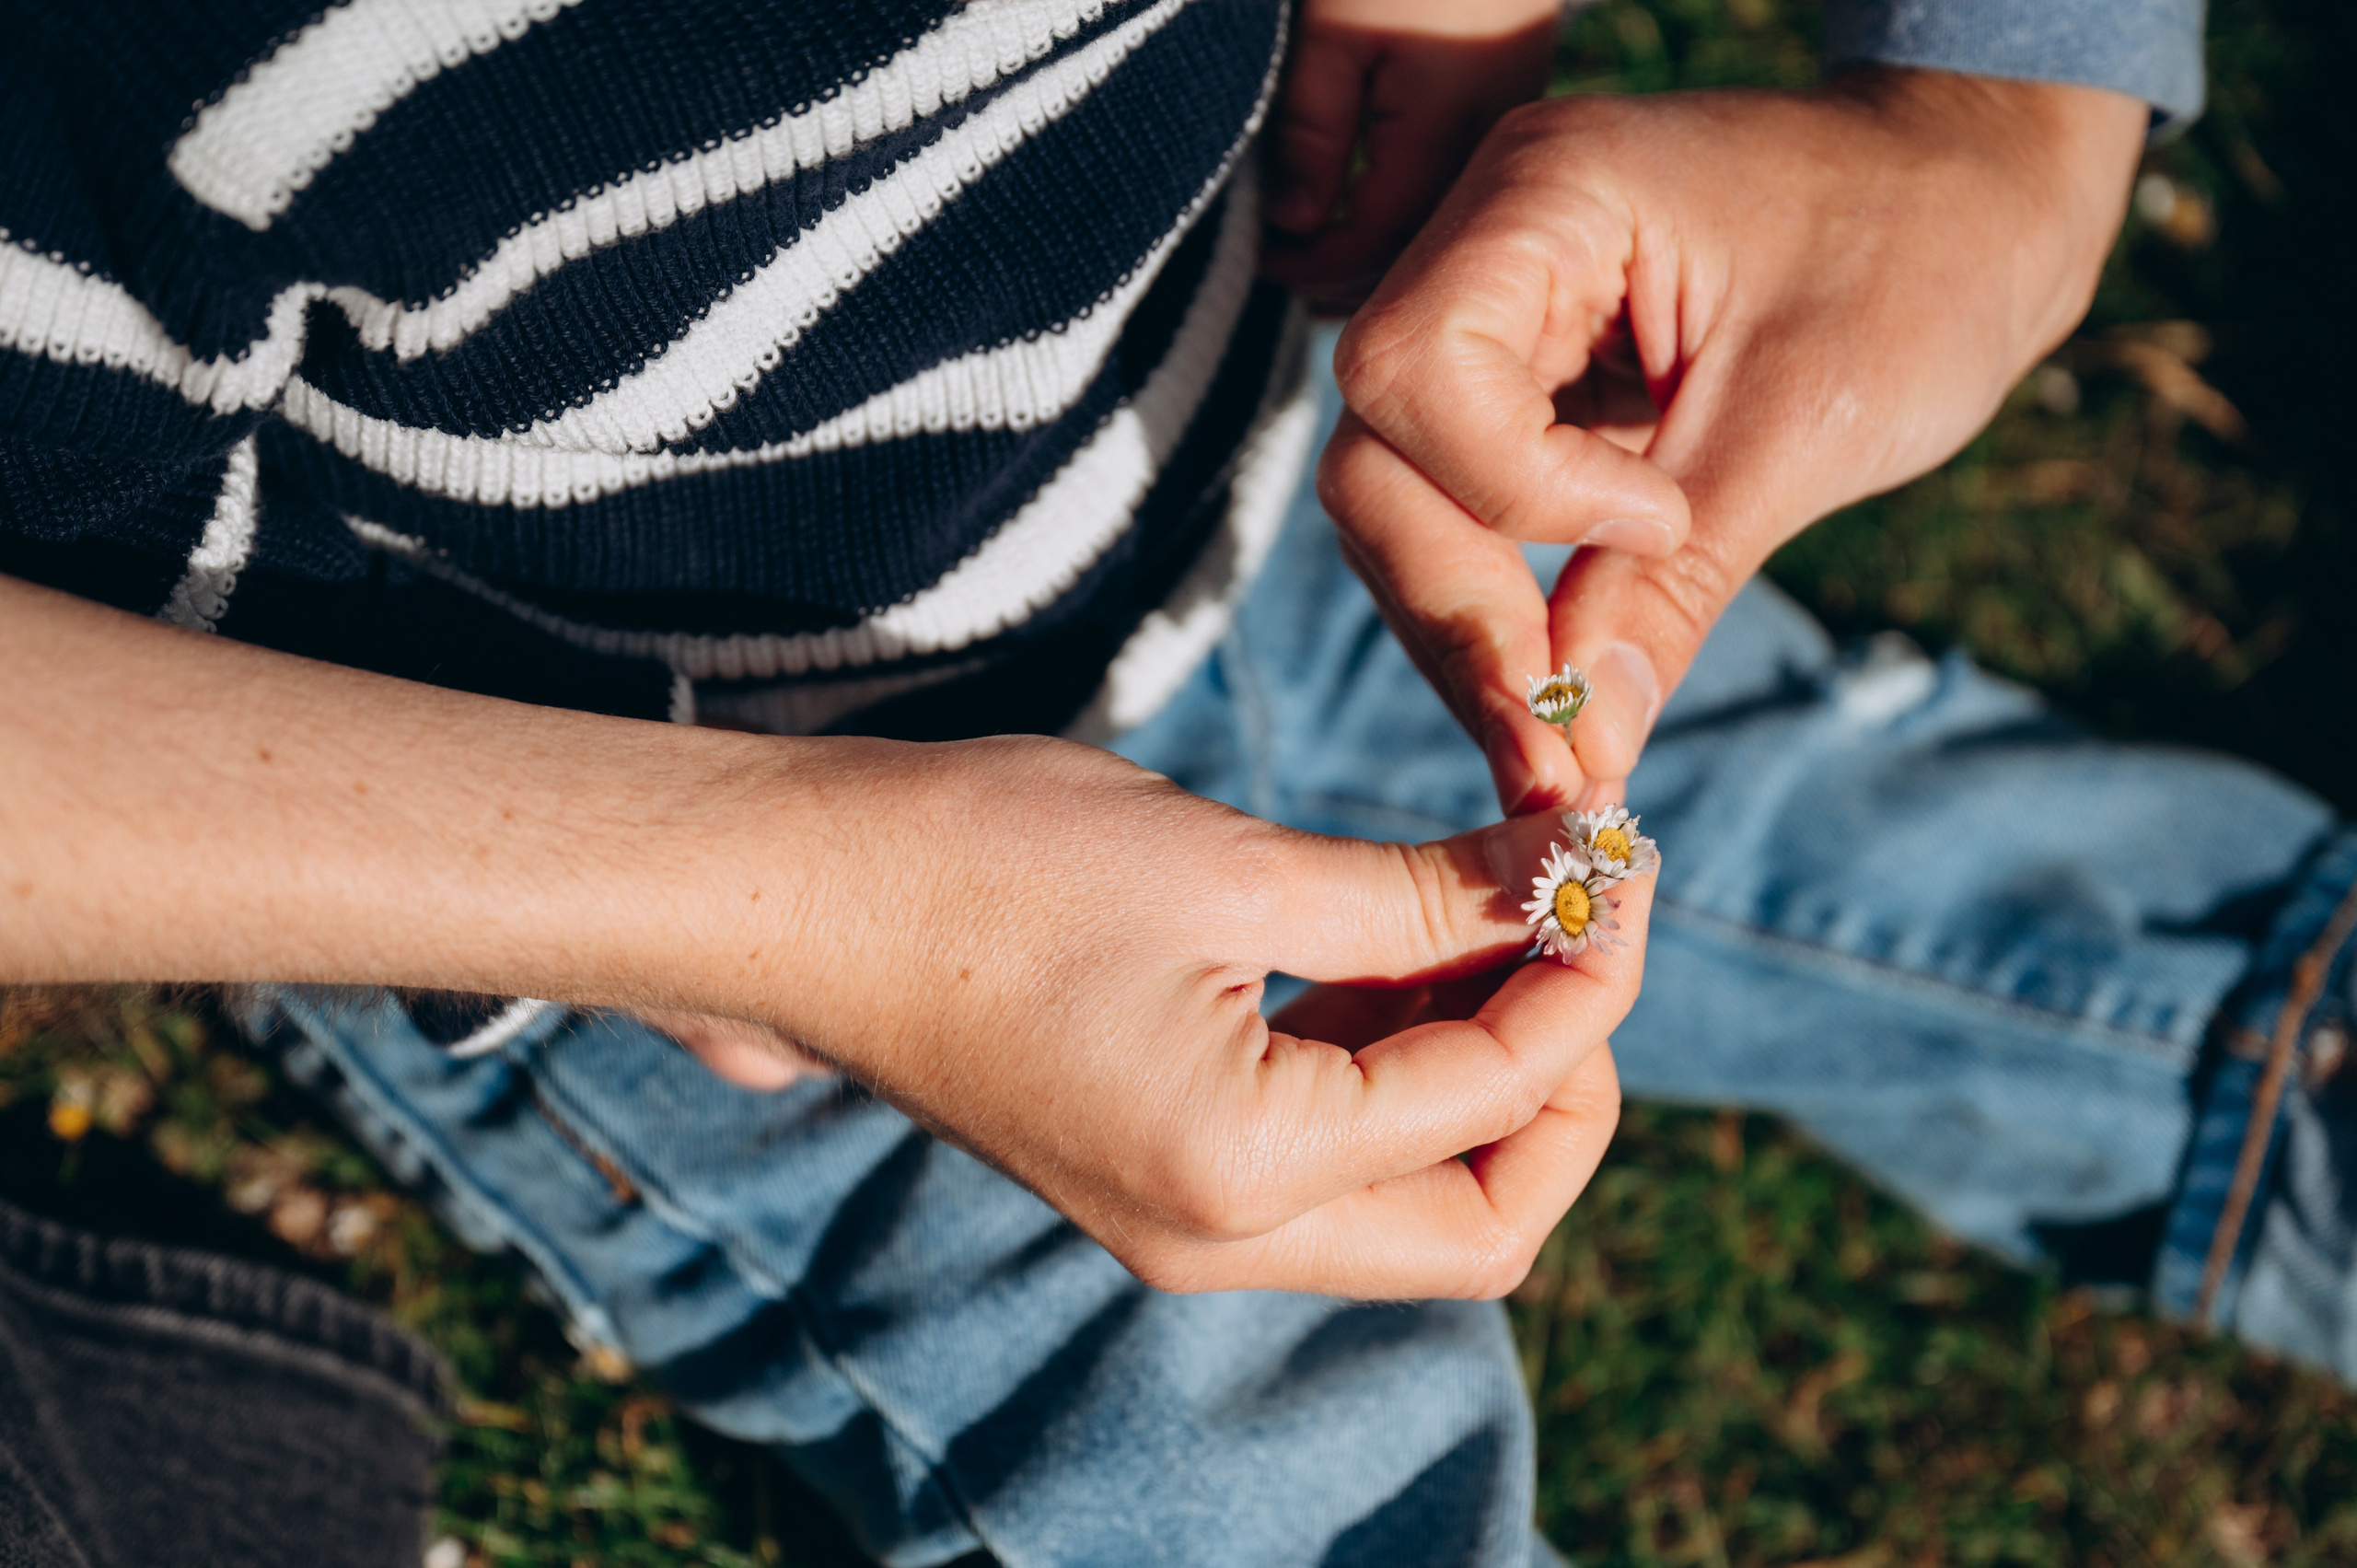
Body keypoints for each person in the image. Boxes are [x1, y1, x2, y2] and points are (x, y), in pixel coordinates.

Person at [3, 6, 2345, 1568]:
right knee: (1294, 1480)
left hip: (1238, 466)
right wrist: (780, 905)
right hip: (602, 825)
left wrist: (2002, 117)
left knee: (1973, 877)